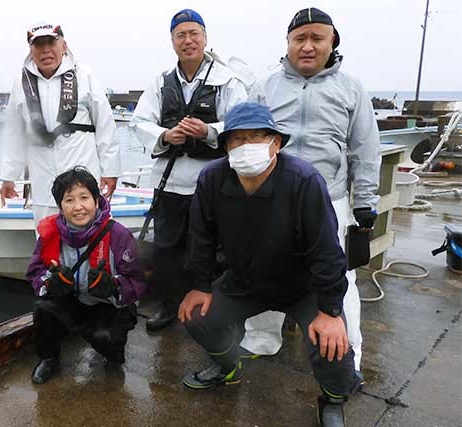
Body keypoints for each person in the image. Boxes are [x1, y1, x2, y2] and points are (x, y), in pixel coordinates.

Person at [180, 102, 361, 426]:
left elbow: (328, 251)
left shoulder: (303, 180)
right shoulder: (211, 178)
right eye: (237, 140)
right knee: (196, 315)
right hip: (245, 280)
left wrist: (330, 310)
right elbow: (201, 237)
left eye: (256, 137)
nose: (246, 146)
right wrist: (200, 285)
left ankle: (333, 397)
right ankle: (228, 366)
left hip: (301, 286)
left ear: (276, 143)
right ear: (225, 147)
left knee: (332, 343)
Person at [243, 7, 381, 373]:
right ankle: (261, 338)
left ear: (332, 41)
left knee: (341, 279)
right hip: (272, 199)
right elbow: (243, 139)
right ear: (287, 43)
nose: (307, 46)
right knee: (265, 269)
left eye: (317, 38)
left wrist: (365, 201)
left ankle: (348, 356)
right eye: (299, 38)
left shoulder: (352, 88)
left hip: (329, 201)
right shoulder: (264, 87)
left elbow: (365, 149)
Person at [130, 8, 250, 331]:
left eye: (194, 33)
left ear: (205, 38)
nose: (188, 40)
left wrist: (208, 131)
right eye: (180, 35)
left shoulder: (228, 82)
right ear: (172, 42)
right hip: (168, 182)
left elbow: (242, 124)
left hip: (211, 183)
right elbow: (139, 121)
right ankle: (169, 306)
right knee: (167, 248)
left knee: (214, 248)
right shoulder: (160, 83)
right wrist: (165, 135)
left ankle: (213, 307)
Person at [26, 166, 147, 384]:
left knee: (107, 341)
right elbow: (35, 271)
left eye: (84, 197)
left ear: (96, 200)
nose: (78, 207)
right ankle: (49, 358)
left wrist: (113, 286)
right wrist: (51, 283)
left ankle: (111, 352)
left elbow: (137, 280)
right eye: (69, 200)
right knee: (43, 309)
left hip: (109, 304)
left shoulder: (117, 234)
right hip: (73, 299)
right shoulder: (50, 233)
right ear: (60, 206)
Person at [0, 23, 121, 225]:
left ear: (64, 45)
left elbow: (105, 125)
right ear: (31, 50)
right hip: (43, 183)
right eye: (38, 45)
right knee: (47, 241)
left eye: (51, 42)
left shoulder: (85, 75)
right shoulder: (21, 83)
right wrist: (9, 176)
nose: (45, 50)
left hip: (83, 183)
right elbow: (14, 135)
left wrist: (110, 171)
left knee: (92, 238)